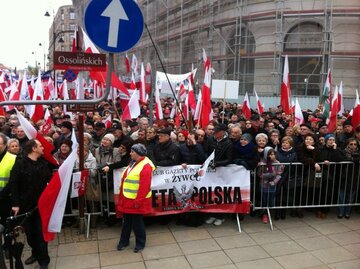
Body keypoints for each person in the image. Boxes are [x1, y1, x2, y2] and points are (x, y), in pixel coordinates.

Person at [9, 139, 53, 269]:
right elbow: (13, 184)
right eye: (40, 146)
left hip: (39, 206)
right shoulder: (20, 164)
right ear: (34, 149)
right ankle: (35, 253)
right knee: (30, 234)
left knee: (40, 234)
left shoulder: (43, 164)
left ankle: (44, 261)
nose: (43, 148)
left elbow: (50, 181)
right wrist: (16, 204)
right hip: (24, 206)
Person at [116, 144, 155, 253]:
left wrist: (138, 201)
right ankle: (124, 241)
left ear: (138, 153)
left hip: (136, 200)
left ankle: (140, 243)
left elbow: (144, 186)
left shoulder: (145, 166)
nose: (130, 153)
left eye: (132, 152)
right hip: (128, 199)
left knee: (137, 223)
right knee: (126, 222)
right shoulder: (133, 162)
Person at [257, 146, 284, 224]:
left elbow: (279, 174)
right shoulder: (262, 163)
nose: (272, 156)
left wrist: (274, 181)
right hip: (263, 185)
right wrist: (269, 175)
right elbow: (259, 174)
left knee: (271, 200)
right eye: (270, 154)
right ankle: (264, 213)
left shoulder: (278, 163)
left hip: (272, 185)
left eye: (273, 154)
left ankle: (268, 212)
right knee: (263, 199)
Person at [0, 133, 17, 257]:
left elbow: (14, 181)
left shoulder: (12, 158)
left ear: (5, 145)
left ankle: (7, 246)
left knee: (7, 224)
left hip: (6, 198)